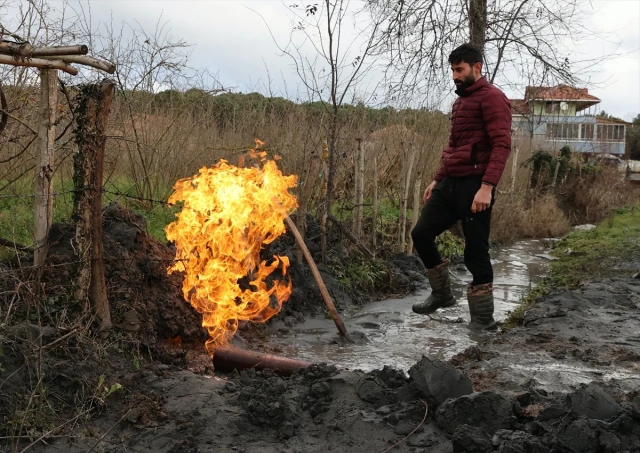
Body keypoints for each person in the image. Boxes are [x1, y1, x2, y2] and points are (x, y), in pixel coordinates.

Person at [410, 43, 512, 330]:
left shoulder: (492, 98)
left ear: (476, 68)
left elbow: (502, 145)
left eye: (460, 70)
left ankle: (482, 320)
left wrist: (487, 186)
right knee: (421, 233)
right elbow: (454, 147)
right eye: (452, 70)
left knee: (475, 251)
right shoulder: (460, 102)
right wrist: (437, 178)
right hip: (451, 183)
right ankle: (442, 294)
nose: (454, 75)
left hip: (475, 185)